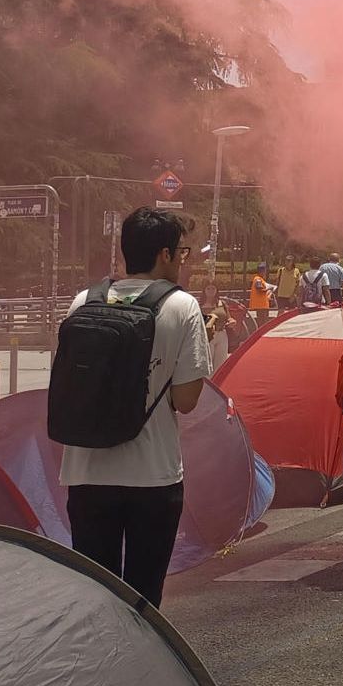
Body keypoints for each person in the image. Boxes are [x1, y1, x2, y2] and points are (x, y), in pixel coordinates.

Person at [60, 208, 211, 606]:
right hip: (152, 475)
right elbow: (186, 400)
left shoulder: (82, 301)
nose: (183, 260)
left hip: (86, 472)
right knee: (143, 599)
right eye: (182, 252)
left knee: (98, 598)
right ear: (165, 254)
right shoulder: (182, 306)